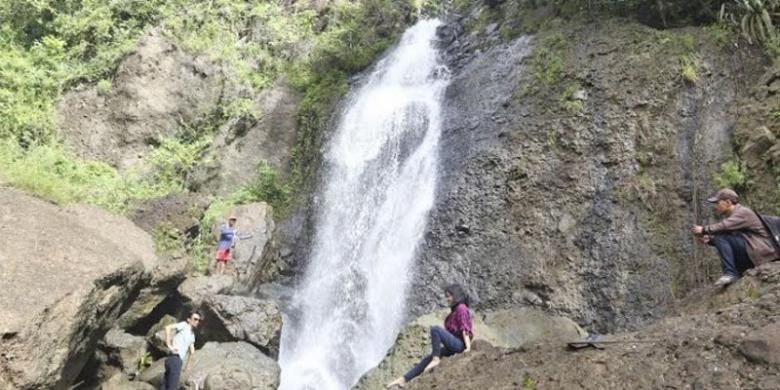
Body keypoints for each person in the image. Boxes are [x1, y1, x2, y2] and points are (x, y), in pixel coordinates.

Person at [386, 284, 473, 388]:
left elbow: (465, 328)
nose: (447, 299)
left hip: (459, 344)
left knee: (435, 329)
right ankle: (404, 379)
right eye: (446, 296)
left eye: (449, 296)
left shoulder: (461, 308)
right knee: (428, 358)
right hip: (453, 345)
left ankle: (436, 360)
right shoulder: (455, 310)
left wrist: (468, 347)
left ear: (456, 295)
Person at [692, 188, 778, 286]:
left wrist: (704, 229)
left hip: (761, 253)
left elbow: (724, 226)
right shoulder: (735, 216)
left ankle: (730, 273)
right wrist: (710, 240)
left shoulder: (743, 212)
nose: (715, 206)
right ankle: (733, 273)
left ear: (728, 202)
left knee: (720, 235)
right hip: (754, 251)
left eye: (718, 203)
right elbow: (731, 240)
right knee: (720, 237)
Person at [161, 311, 201, 390]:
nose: (197, 322)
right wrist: (169, 345)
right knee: (172, 387)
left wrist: (187, 367)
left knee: (165, 386)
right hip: (174, 358)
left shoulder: (192, 335)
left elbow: (192, 352)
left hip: (176, 360)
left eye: (199, 320)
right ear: (189, 320)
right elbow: (168, 328)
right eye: (195, 319)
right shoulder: (184, 325)